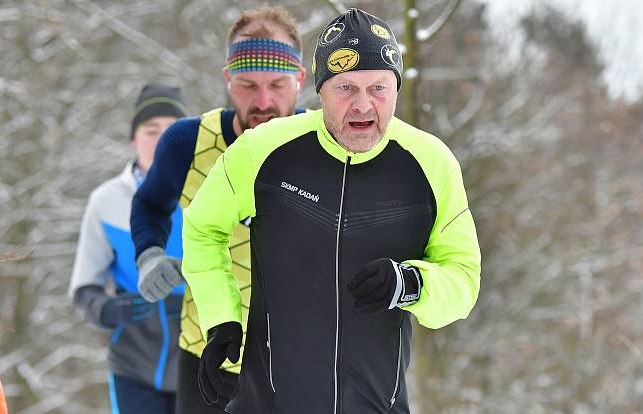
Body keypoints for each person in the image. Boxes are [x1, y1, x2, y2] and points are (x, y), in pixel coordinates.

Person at [182, 8, 481, 414]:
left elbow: (463, 279)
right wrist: (221, 319)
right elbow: (202, 229)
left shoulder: (431, 164)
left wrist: (409, 283)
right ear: (319, 90)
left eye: (378, 87)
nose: (362, 106)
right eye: (345, 88)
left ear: (396, 88)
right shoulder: (261, 150)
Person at [129, 6, 306, 413]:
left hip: (301, 359)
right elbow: (149, 204)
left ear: (300, 80)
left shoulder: (321, 144)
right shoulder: (186, 142)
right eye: (247, 85)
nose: (264, 101)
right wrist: (149, 255)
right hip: (207, 352)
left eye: (278, 84)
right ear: (228, 80)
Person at [69, 84, 187, 414]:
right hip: (132, 363)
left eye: (171, 131)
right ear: (134, 138)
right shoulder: (106, 202)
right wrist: (107, 310)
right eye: (151, 131)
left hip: (199, 364)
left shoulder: (207, 195)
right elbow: (84, 286)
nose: (161, 140)